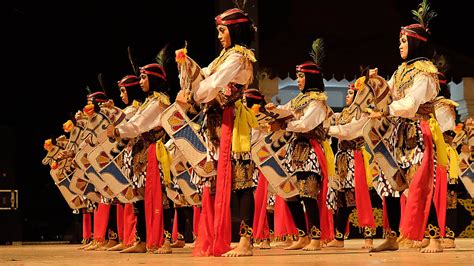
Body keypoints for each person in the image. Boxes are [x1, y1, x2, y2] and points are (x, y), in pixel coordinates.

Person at [176, 8, 257, 257]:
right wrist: (188, 70)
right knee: (217, 180)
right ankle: (215, 234)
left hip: (232, 121)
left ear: (234, 30)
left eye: (222, 30)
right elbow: (205, 75)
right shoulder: (224, 56)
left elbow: (212, 85)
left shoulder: (238, 57)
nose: (219, 36)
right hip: (216, 122)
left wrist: (193, 94)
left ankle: (246, 241)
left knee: (242, 182)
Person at [368, 0, 445, 253]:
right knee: (390, 183)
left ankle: (434, 238)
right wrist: (374, 84)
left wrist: (385, 109)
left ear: (414, 43)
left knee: (417, 184)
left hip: (416, 132)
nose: (399, 46)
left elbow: (410, 103)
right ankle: (391, 237)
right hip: (397, 133)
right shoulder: (401, 71)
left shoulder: (425, 72)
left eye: (403, 41)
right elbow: (388, 94)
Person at [266, 41, 332, 251]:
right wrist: (272, 110)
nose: (298, 80)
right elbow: (285, 111)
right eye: (298, 76)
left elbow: (305, 124)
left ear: (311, 77)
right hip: (294, 151)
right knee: (290, 193)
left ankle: (316, 238)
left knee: (308, 194)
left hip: (310, 150)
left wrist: (283, 122)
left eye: (302, 76)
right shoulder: (298, 100)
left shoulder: (318, 101)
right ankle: (302, 235)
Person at [107, 63, 173, 254]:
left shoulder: (159, 102)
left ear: (154, 78)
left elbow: (138, 123)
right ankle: (142, 240)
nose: (141, 81)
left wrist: (118, 130)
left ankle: (166, 240)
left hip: (157, 151)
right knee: (141, 197)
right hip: (143, 152)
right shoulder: (149, 101)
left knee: (163, 196)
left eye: (144, 77)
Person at [326, 83, 376, 249]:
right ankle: (339, 238)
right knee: (341, 200)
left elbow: (347, 131)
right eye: (347, 93)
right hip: (341, 159)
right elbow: (328, 119)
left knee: (360, 197)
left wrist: (326, 129)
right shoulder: (343, 114)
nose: (347, 96)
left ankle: (368, 238)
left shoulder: (362, 115)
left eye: (350, 93)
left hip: (355, 159)